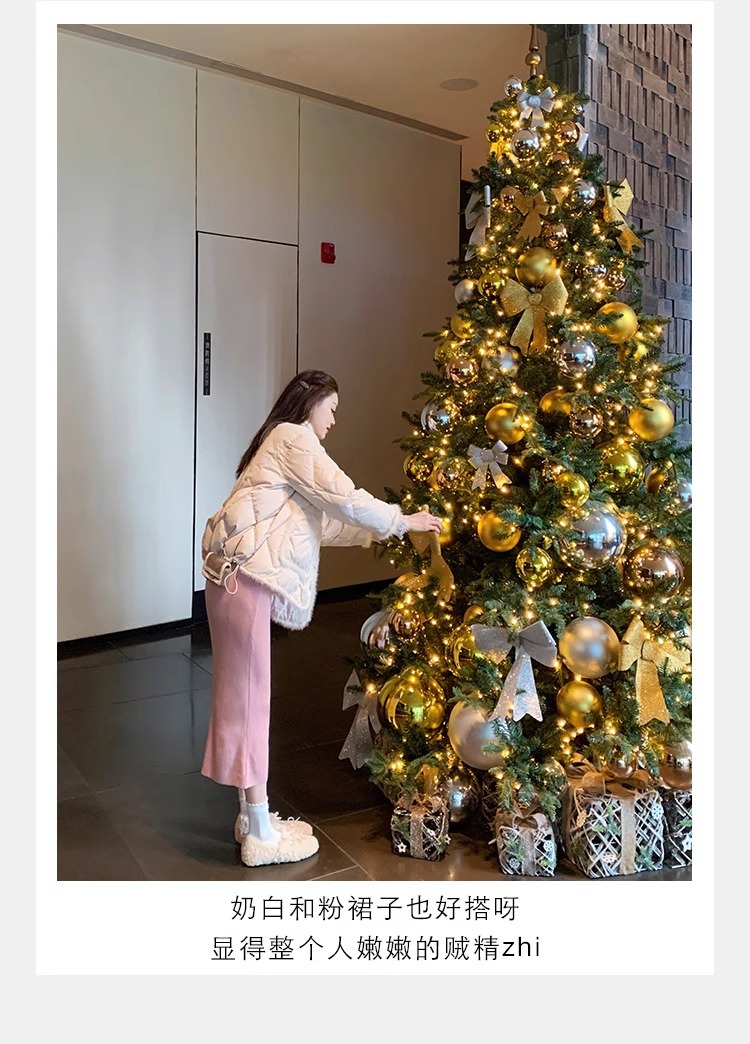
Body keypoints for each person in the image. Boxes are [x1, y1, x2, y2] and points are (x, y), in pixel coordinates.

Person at [200, 369, 442, 868]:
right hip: (243, 584)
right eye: (331, 409)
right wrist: (401, 519)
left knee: (243, 699)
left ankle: (252, 816)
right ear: (310, 404)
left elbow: (324, 523)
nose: (333, 421)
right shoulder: (294, 437)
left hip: (232, 580)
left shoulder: (279, 444)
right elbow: (344, 497)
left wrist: (383, 532)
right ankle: (261, 830)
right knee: (250, 702)